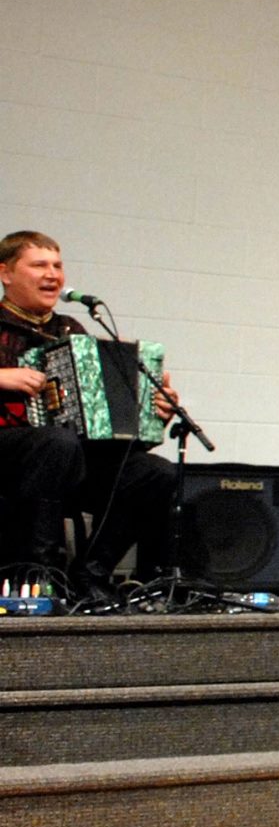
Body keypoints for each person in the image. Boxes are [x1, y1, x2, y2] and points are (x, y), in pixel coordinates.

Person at [0, 230, 178, 594]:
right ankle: (39, 574)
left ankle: (90, 573)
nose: (52, 274)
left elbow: (99, 411)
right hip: (9, 456)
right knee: (56, 443)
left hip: (66, 458)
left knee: (155, 473)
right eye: (39, 265)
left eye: (57, 265)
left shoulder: (72, 329)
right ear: (5, 274)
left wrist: (153, 409)